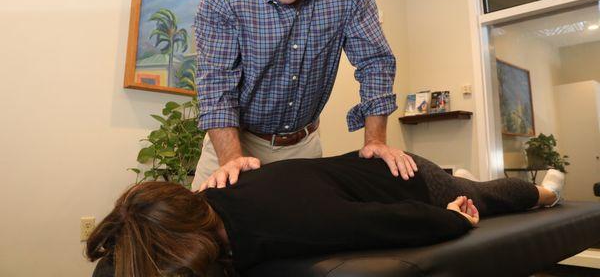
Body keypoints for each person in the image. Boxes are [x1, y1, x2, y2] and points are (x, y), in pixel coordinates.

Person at [192, 0, 417, 191]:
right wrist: (232, 160)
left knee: (303, 235)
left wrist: (375, 140)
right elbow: (216, 85)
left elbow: (374, 62)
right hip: (233, 143)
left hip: (303, 147)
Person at [87, 152, 564, 277]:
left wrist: (456, 218)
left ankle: (545, 189)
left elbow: (396, 220)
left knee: (484, 192)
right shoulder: (211, 195)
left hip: (406, 178)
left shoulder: (292, 224)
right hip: (340, 177)